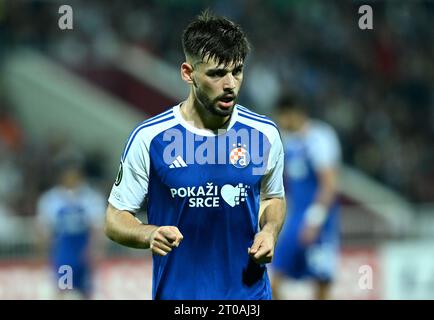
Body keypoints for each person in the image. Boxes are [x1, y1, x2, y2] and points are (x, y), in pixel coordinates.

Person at [104, 10, 286, 300]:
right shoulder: (151, 138)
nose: (230, 85)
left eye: (236, 71)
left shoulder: (264, 134)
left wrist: (270, 231)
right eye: (216, 74)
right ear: (188, 73)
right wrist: (148, 234)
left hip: (249, 299)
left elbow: (272, 197)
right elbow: (115, 218)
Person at [271, 94, 341, 300]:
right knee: (273, 280)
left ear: (294, 114)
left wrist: (315, 219)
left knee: (321, 285)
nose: (280, 122)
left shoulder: (319, 138)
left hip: (319, 221)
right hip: (295, 219)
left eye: (282, 117)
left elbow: (329, 184)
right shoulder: (286, 141)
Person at [36, 153, 106, 299]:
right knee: (65, 292)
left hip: (83, 255)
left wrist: (95, 250)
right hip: (64, 256)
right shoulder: (51, 199)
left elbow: (96, 228)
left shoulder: (91, 197)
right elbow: (45, 230)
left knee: (86, 292)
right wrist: (45, 254)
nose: (71, 176)